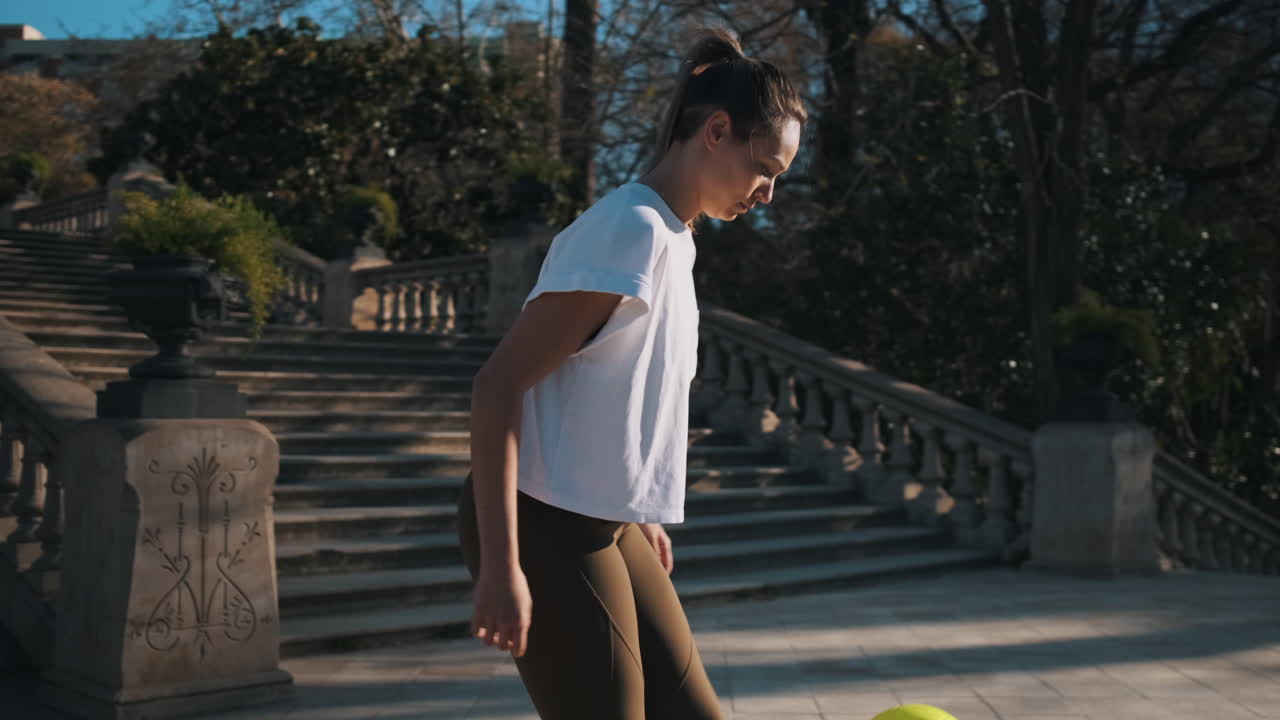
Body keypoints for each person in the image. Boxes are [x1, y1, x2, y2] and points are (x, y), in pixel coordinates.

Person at [456, 26, 805, 720]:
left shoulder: (676, 237)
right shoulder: (632, 228)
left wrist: (636, 502)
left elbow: (625, 385)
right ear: (716, 130)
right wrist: (503, 568)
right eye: (765, 167)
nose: (767, 192)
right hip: (544, 516)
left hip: (605, 519)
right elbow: (496, 387)